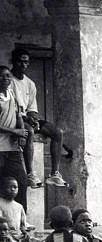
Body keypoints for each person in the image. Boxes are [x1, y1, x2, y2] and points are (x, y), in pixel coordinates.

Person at [10, 48, 67, 187]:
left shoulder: (30, 84)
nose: (24, 65)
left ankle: (54, 174)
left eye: (27, 62)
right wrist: (26, 120)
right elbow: (9, 108)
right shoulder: (8, 80)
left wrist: (33, 119)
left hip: (26, 118)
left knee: (57, 132)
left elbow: (32, 108)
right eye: (21, 62)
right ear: (14, 62)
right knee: (29, 131)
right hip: (13, 118)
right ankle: (30, 174)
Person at [0, 65, 28, 210]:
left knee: (21, 182)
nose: (5, 78)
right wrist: (14, 131)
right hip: (0, 149)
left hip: (12, 148)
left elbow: (18, 116)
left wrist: (21, 132)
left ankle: (22, 220)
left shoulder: (12, 94)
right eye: (2, 76)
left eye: (8, 76)